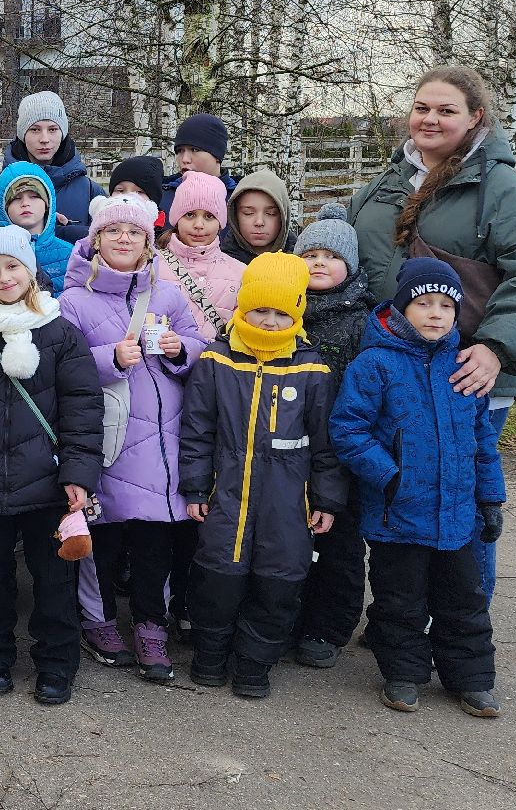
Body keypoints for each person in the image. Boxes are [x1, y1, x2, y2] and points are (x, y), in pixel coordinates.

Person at [349, 66, 516, 599]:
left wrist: (496, 349)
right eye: (422, 107)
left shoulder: (501, 191)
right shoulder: (382, 187)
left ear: (476, 118)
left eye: (446, 110)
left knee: (457, 496)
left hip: (464, 378)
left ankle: (459, 621)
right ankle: (405, 615)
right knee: (399, 491)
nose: (429, 119)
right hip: (393, 375)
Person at [328, 258, 506, 718]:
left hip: (457, 515)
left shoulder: (464, 364)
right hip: (398, 515)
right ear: (404, 307)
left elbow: (483, 440)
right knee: (399, 599)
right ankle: (404, 673)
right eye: (424, 303)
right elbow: (349, 430)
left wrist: (490, 497)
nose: (435, 313)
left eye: (446, 305)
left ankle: (471, 678)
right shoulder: (376, 365)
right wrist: (390, 477)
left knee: (463, 599)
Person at [179, 253, 345, 699]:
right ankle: (210, 656)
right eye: (260, 310)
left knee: (278, 582)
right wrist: (195, 485)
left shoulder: (312, 370)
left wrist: (326, 499)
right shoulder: (217, 362)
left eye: (281, 313)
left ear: (297, 312)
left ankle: (255, 664)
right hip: (225, 496)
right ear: (242, 307)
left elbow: (327, 445)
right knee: (217, 578)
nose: (270, 322)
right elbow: (196, 430)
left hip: (289, 503)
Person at [0, 225, 103, 706]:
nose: (3, 277)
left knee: (53, 580)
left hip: (49, 481)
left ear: (30, 270)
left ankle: (56, 663)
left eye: (12, 266)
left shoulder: (59, 332)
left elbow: (82, 407)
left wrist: (78, 474)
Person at [57, 194, 206, 679]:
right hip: (104, 440)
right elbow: (61, 365)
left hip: (161, 443)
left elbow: (201, 347)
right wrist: (110, 360)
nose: (124, 239)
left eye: (135, 233)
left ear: (148, 243)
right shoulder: (72, 300)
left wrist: (181, 348)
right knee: (101, 538)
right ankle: (98, 621)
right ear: (96, 239)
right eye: (114, 231)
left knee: (153, 541)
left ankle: (150, 625)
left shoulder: (168, 295)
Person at [292, 202, 373, 669]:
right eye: (310, 254)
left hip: (343, 451)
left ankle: (329, 626)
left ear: (352, 267)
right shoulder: (284, 315)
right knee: (291, 538)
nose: (319, 262)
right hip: (290, 447)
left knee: (339, 543)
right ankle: (289, 617)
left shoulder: (365, 321)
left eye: (331, 256)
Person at [1, 90, 105, 242]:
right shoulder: (0, 188)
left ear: (62, 133)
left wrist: (66, 231)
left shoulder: (90, 191)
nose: (44, 139)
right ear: (22, 135)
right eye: (35, 129)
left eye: (52, 129)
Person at [160, 170, 244, 339]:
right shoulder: (152, 265)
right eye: (190, 215)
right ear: (177, 218)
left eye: (209, 216)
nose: (199, 225)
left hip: (217, 364)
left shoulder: (241, 273)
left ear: (220, 222)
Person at [0, 162, 74, 294]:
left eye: (34, 196)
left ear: (48, 203)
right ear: (3, 208)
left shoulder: (70, 254)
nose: (25, 203)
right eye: (16, 198)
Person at [159, 112, 240, 212]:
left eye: (194, 150)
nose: (185, 159)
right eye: (180, 150)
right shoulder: (160, 199)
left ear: (217, 156)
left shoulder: (241, 201)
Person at [221, 168, 296, 265]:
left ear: (283, 216)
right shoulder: (219, 266)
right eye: (248, 213)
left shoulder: (306, 264)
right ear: (235, 216)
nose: (259, 222)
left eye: (271, 213)